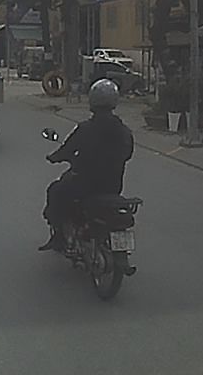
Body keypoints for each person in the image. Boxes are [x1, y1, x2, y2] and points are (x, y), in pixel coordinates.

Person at [40, 78, 134, 252]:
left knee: (55, 191)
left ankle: (58, 237)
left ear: (92, 100)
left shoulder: (85, 129)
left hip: (84, 186)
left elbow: (67, 150)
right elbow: (127, 155)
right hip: (112, 186)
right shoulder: (124, 131)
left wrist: (54, 157)